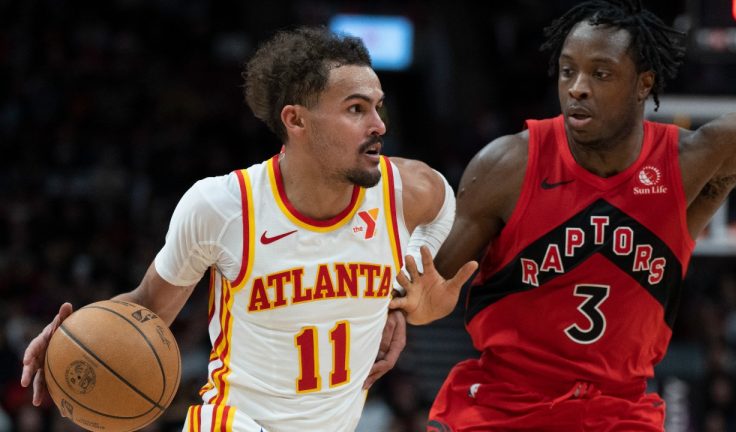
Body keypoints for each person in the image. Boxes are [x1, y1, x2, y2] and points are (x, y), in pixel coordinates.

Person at [20, 26, 471, 432]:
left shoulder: (406, 190)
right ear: (295, 120)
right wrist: (72, 337)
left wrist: (402, 292)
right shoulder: (223, 205)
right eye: (356, 109)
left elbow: (445, 202)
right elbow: (148, 307)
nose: (379, 126)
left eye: (377, 107)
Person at [391, 0, 736, 430]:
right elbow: (433, 291)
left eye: (600, 74)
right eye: (568, 71)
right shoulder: (508, 165)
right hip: (505, 406)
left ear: (643, 84)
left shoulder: (690, 161)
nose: (577, 88)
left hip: (620, 410)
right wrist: (419, 310)